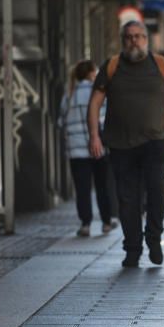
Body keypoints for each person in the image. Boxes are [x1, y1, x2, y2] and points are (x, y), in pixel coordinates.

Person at [88, 20, 164, 268]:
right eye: (129, 37)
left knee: (158, 192)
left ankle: (154, 239)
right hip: (120, 145)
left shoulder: (161, 65)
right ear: (123, 40)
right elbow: (94, 103)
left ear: (146, 40)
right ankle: (132, 249)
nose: (134, 41)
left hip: (155, 142)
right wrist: (94, 135)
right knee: (127, 199)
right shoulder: (111, 66)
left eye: (139, 36)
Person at [61, 60, 116, 237]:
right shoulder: (98, 92)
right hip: (97, 146)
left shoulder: (69, 94)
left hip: (76, 150)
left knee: (82, 188)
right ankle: (106, 222)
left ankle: (85, 224)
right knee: (102, 185)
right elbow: (106, 116)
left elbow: (61, 121)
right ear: (92, 74)